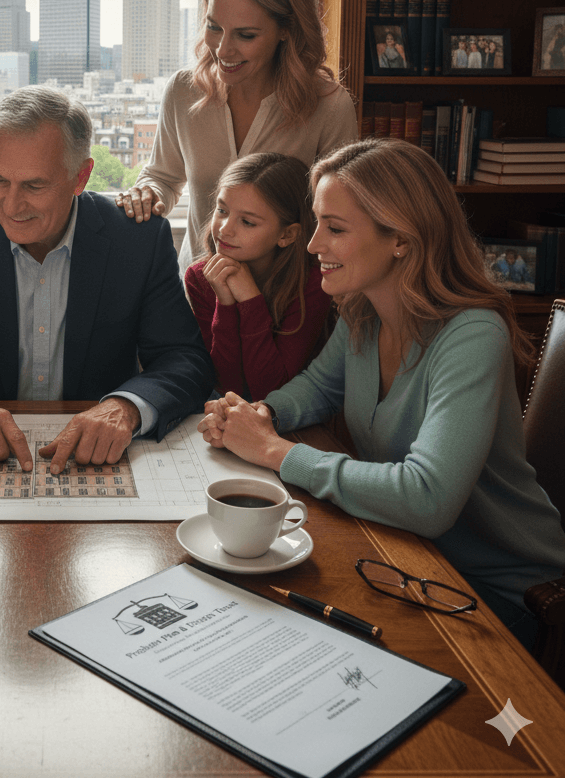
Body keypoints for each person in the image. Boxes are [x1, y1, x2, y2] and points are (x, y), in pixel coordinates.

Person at [198, 138, 565, 647]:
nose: (313, 245)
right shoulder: (363, 310)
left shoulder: (473, 334)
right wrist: (258, 413)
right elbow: (318, 388)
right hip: (407, 557)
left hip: (504, 595)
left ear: (403, 241)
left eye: (336, 228)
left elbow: (427, 499)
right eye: (318, 222)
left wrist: (272, 449)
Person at [0, 86, 215, 476]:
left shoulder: (137, 240)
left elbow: (185, 362)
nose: (12, 207)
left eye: (34, 186)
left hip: (98, 464)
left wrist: (127, 407)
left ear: (80, 177)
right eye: (0, 181)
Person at [114, 0, 357, 271]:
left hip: (287, 305)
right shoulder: (182, 92)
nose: (222, 50)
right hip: (196, 299)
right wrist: (146, 194)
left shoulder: (329, 106)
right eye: (214, 27)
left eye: (245, 35)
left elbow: (339, 218)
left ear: (286, 29)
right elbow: (164, 176)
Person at [183, 152, 330, 402]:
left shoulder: (313, 283)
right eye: (221, 210)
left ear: (287, 235)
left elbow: (269, 390)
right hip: (232, 414)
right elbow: (228, 388)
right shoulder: (201, 277)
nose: (224, 228)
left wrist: (250, 300)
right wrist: (226, 303)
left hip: (296, 420)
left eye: (247, 222)